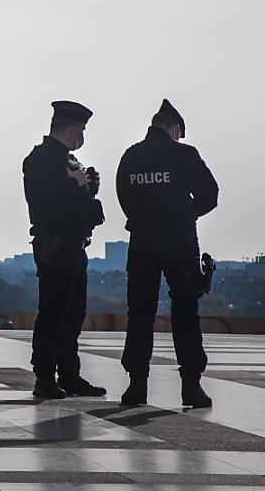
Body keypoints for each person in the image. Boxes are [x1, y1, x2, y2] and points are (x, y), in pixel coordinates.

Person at [116, 99, 218, 408]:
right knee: (185, 312)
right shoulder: (183, 154)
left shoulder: (131, 156)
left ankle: (136, 387)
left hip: (142, 240)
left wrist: (147, 217)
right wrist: (184, 214)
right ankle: (191, 386)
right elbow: (210, 195)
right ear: (174, 128)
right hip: (178, 240)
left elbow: (124, 197)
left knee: (140, 313)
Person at [23, 100, 107, 399]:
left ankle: (70, 375)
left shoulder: (70, 161)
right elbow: (41, 201)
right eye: (82, 129)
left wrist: (89, 187)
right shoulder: (40, 160)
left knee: (73, 316)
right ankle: (44, 377)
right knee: (53, 316)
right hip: (55, 247)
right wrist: (72, 183)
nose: (82, 134)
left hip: (75, 246)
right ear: (73, 128)